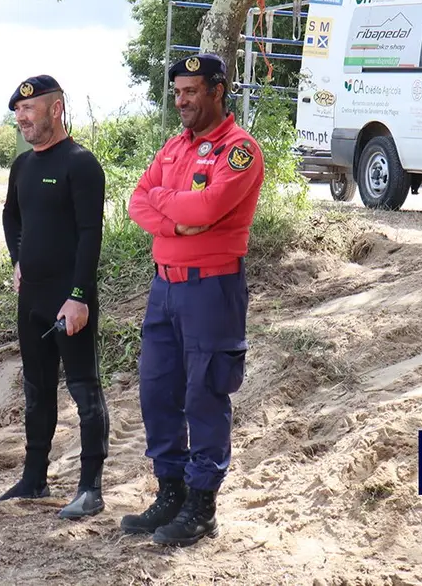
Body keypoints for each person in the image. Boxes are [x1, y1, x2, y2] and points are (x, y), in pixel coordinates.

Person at [121, 53, 264, 547]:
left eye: (191, 92)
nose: (181, 101)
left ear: (217, 90)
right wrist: (178, 220)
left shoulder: (239, 150)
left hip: (212, 288)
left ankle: (202, 507)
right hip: (164, 287)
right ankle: (172, 492)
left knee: (205, 393)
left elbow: (209, 206)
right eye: (177, 92)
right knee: (157, 390)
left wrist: (176, 207)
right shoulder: (174, 146)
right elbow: (137, 199)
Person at [0, 74, 111, 520]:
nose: (21, 117)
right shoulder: (23, 165)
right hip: (32, 298)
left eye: (29, 109)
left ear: (56, 109)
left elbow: (89, 235)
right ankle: (34, 478)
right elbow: (11, 217)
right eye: (17, 111)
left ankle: (90, 488)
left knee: (84, 390)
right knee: (37, 389)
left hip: (70, 298)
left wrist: (79, 296)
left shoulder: (81, 164)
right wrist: (16, 260)